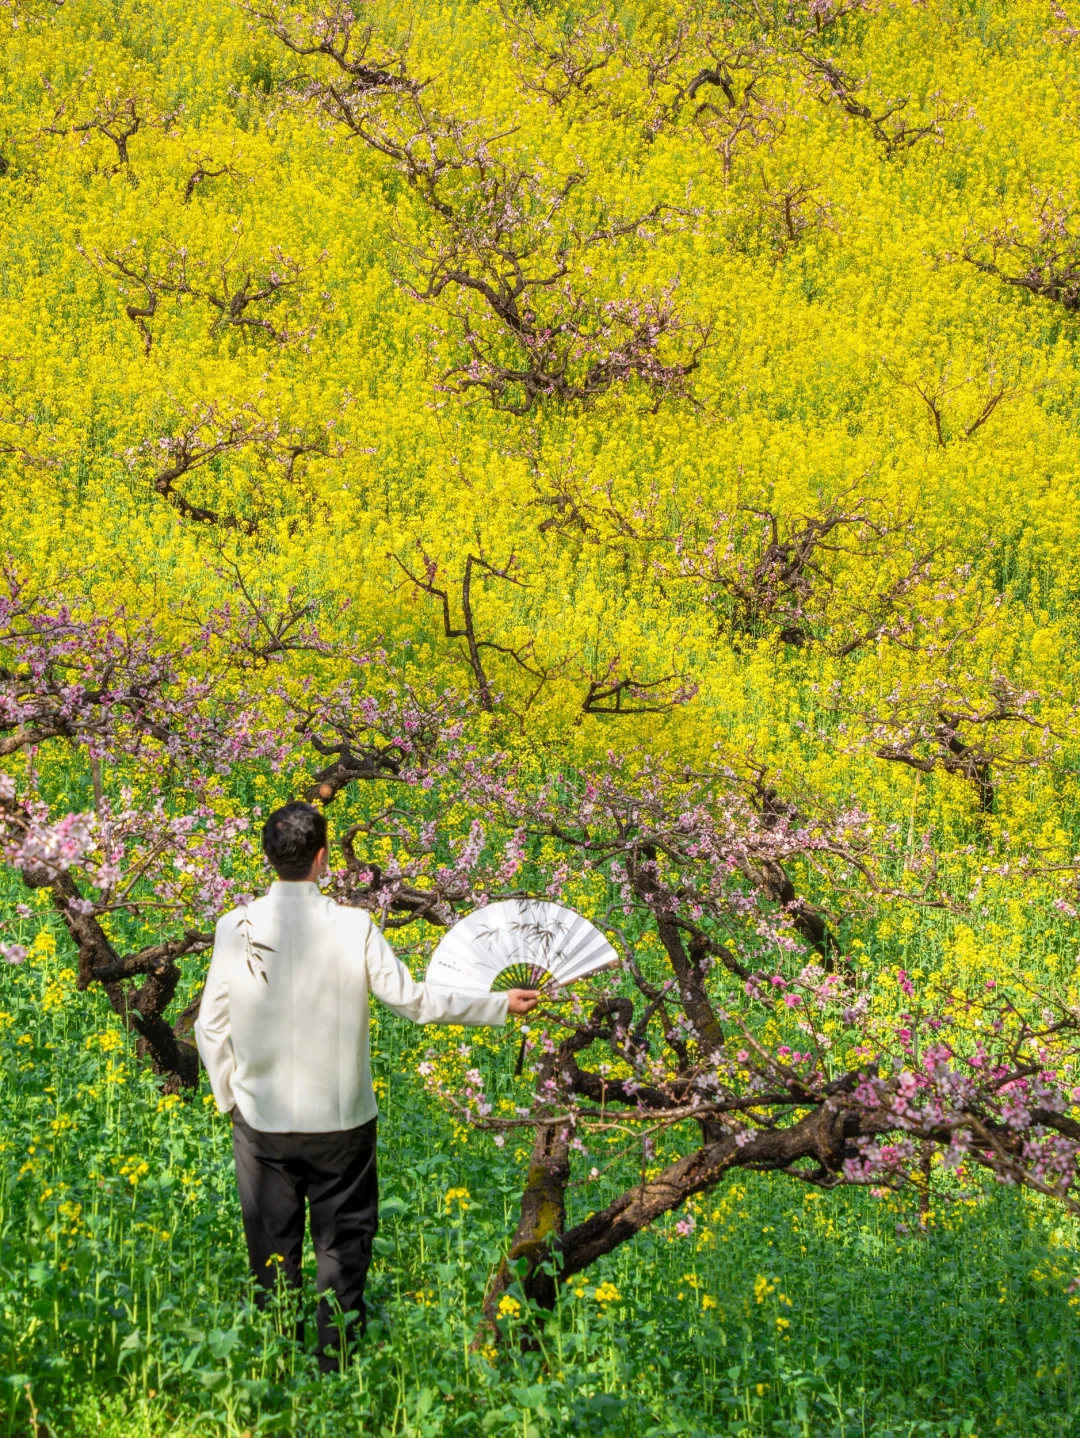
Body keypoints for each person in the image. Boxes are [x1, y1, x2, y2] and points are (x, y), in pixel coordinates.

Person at [194, 800, 539, 1371]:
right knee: (342, 1248)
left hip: (261, 1123)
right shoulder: (354, 925)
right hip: (343, 1123)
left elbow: (211, 1025)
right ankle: (336, 1368)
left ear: (267, 857)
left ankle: (279, 1364)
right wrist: (498, 1003)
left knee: (272, 1250)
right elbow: (414, 1001)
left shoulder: (236, 928)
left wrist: (232, 1097)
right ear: (324, 858)